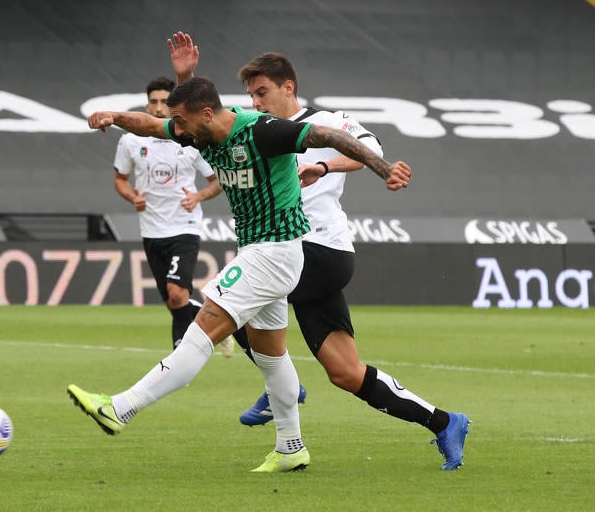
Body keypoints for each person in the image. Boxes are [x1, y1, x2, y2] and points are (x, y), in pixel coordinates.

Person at [68, 70, 411, 473]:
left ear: (208, 114)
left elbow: (331, 137)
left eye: (181, 122)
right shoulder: (197, 132)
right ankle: (291, 448)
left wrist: (383, 168)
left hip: (275, 252)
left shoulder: (265, 131)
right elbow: (149, 125)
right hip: (262, 252)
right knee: (271, 356)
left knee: (200, 331)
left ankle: (120, 408)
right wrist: (112, 115)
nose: (176, 131)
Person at [168, 31, 469, 470]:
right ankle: (445, 423)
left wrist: (325, 164)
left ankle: (282, 391)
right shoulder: (257, 131)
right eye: (251, 94)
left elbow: (372, 148)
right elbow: (202, 125)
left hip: (318, 247)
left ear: (288, 87)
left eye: (262, 92)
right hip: (295, 258)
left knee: (229, 301)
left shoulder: (324, 121)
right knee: (346, 372)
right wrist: (187, 76)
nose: (256, 102)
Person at [113, 76, 230, 354]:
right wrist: (132, 196)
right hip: (151, 229)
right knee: (172, 301)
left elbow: (218, 180)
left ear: (174, 105)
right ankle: (216, 321)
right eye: (153, 102)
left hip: (184, 226)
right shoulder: (131, 140)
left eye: (164, 102)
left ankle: (181, 355)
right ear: (146, 105)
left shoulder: (190, 140)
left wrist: (198, 196)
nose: (158, 108)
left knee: (178, 295)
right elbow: (120, 179)